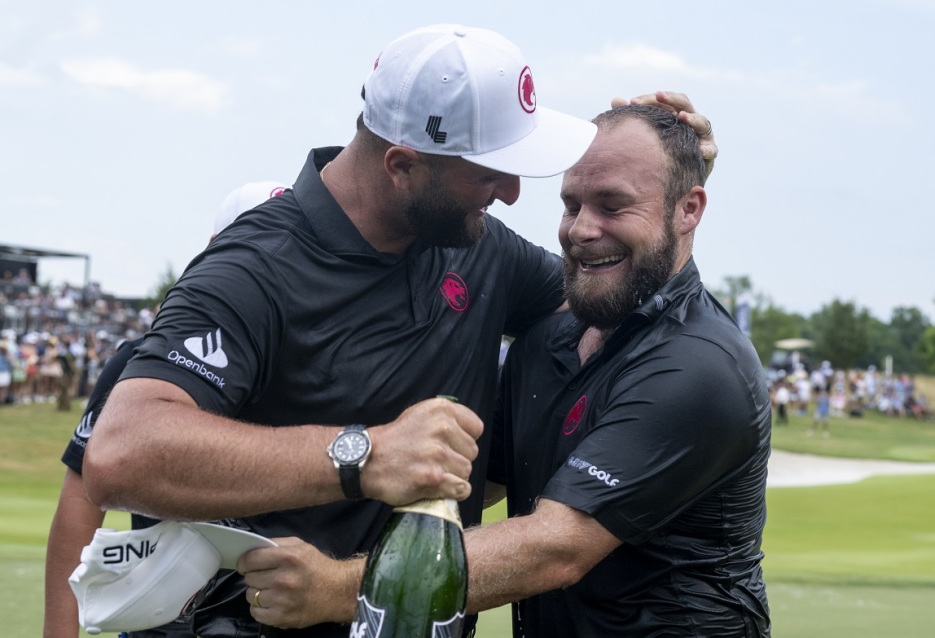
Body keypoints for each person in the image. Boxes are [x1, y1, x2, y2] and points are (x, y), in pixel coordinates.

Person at [85, 25, 717, 638]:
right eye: (489, 171)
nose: (513, 193)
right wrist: (365, 455)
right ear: (403, 165)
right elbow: (120, 453)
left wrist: (671, 178)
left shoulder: (475, 242)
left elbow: (618, 293)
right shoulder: (253, 269)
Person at [237, 105, 762, 637]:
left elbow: (554, 547)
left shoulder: (700, 364)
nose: (581, 229)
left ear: (689, 209)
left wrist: (337, 587)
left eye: (613, 205)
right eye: (571, 204)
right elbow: (475, 484)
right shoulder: (549, 341)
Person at [43, 181, 289, 638]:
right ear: (218, 252)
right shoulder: (143, 363)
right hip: (166, 623)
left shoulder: (338, 370)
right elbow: (81, 501)